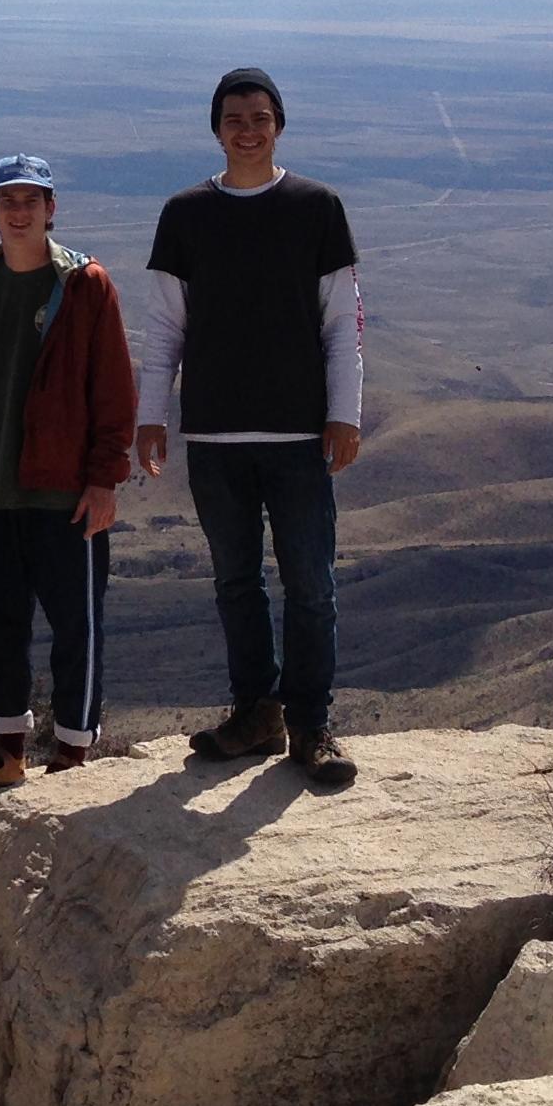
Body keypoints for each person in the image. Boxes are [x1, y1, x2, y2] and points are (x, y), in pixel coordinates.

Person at [136, 68, 363, 783]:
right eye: (235, 118)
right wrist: (152, 415)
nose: (248, 129)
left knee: (311, 585)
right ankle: (255, 713)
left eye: (260, 117)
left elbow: (341, 326)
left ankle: (312, 726)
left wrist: (344, 414)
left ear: (279, 125)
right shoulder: (185, 214)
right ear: (216, 128)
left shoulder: (317, 207)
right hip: (214, 435)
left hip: (298, 436)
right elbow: (164, 328)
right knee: (236, 583)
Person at [0, 154, 136, 785]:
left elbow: (114, 387)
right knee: (0, 623)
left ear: (52, 210)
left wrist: (105, 477)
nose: (20, 212)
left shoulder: (85, 286)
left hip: (66, 490)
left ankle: (73, 749)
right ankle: (8, 750)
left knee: (76, 621)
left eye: (32, 201)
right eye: (8, 201)